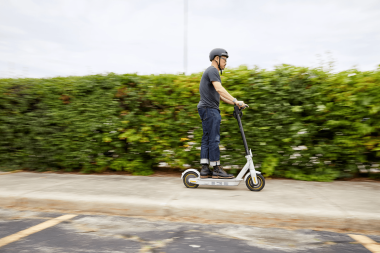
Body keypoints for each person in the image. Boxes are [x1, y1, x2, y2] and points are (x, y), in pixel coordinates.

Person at [197, 48, 248, 179]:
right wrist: (236, 99)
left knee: (207, 138)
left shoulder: (209, 72)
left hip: (205, 108)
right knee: (214, 138)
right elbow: (219, 89)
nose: (225, 62)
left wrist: (234, 103)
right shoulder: (213, 70)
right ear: (216, 58)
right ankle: (216, 169)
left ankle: (204, 169)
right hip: (210, 110)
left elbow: (218, 96)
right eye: (224, 59)